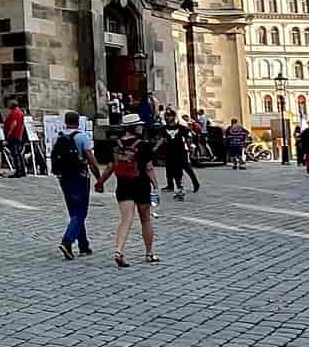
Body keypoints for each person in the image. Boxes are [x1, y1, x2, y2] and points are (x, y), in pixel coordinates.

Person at [51, 111, 104, 258]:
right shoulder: (82, 137)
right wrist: (99, 179)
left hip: (64, 178)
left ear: (65, 122)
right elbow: (91, 160)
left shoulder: (59, 137)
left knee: (74, 212)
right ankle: (67, 241)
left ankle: (83, 245)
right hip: (79, 176)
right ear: (78, 122)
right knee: (80, 212)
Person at [102, 130, 157, 266]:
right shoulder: (144, 145)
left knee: (125, 220)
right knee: (145, 219)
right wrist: (155, 185)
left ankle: (119, 251)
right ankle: (149, 253)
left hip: (123, 185)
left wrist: (101, 181)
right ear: (134, 127)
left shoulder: (116, 145)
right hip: (141, 185)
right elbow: (148, 168)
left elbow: (110, 166)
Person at [159, 113, 198, 201]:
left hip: (181, 152)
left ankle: (195, 183)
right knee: (173, 170)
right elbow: (161, 139)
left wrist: (190, 148)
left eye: (170, 116)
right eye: (167, 116)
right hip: (169, 152)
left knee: (187, 167)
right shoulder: (163, 129)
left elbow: (188, 138)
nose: (168, 118)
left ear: (174, 117)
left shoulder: (181, 128)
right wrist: (155, 147)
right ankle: (178, 189)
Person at [3, 99, 27, 178]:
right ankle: (22, 171)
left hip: (14, 136)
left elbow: (14, 123)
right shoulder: (20, 112)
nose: (8, 105)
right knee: (19, 154)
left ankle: (18, 171)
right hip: (18, 136)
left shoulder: (14, 113)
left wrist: (9, 133)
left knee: (15, 154)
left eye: (9, 104)